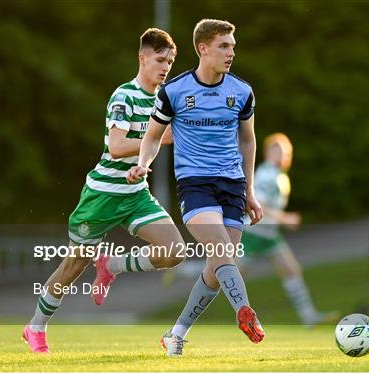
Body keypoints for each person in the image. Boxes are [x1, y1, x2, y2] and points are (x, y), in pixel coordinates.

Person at [22, 28, 185, 353]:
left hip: (136, 194)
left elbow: (179, 135)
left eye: (169, 61)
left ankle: (110, 266)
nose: (165, 67)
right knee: (73, 266)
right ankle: (35, 327)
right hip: (102, 195)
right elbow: (116, 146)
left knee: (175, 251)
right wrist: (162, 139)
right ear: (142, 58)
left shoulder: (164, 100)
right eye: (159, 59)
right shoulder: (124, 95)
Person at [126, 19, 264, 357]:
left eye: (232, 46)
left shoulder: (241, 92)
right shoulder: (174, 91)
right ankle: (245, 311)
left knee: (217, 268)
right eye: (224, 46)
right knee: (221, 253)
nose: (231, 52)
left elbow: (247, 141)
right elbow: (153, 136)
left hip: (232, 185)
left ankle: (175, 333)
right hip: (195, 184)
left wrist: (249, 191)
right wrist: (144, 163)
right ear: (203, 48)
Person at [239, 133, 338, 326]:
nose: (281, 155)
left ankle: (309, 317)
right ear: (267, 152)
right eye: (277, 151)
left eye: (285, 152)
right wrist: (285, 218)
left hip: (268, 235)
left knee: (291, 270)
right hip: (253, 233)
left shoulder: (278, 174)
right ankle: (188, 270)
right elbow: (258, 204)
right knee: (225, 274)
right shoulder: (267, 174)